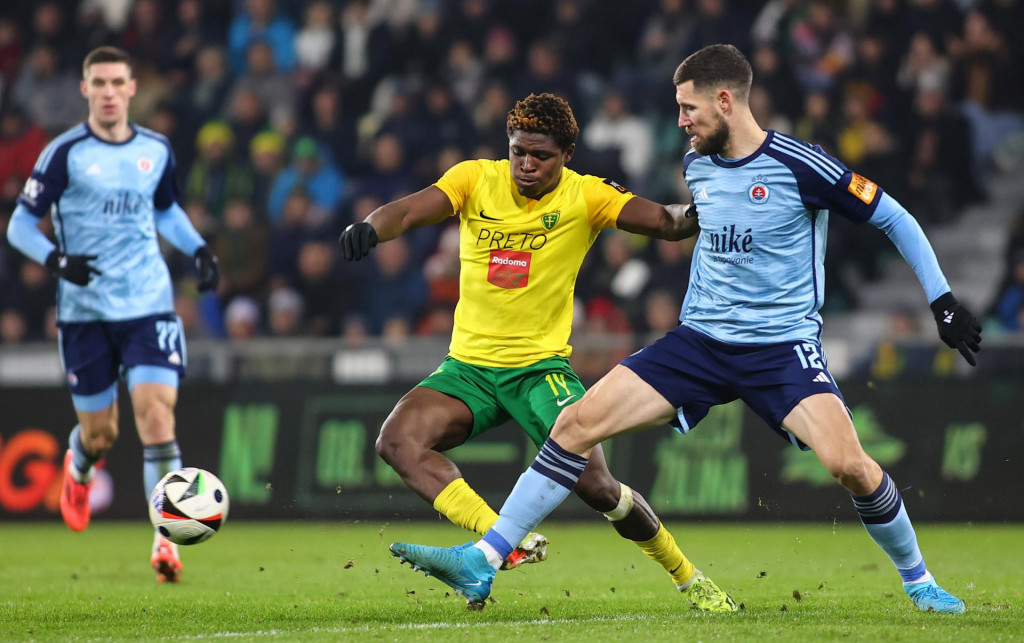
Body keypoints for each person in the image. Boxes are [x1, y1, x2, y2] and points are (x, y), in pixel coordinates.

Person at [390, 46, 982, 614]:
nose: (681, 122)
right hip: (697, 343)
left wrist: (943, 301)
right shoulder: (697, 165)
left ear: (725, 101)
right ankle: (485, 557)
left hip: (779, 349)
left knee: (850, 467)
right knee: (575, 424)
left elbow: (893, 216)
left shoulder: (803, 166)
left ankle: (920, 582)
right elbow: (688, 228)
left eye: (688, 109)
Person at [340, 92, 734, 611]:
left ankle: (690, 578)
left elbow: (666, 222)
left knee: (598, 488)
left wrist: (713, 203)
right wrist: (372, 226)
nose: (525, 165)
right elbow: (411, 210)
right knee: (397, 441)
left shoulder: (586, 196)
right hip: (468, 370)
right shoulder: (475, 179)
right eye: (518, 152)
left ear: (567, 153)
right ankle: (503, 541)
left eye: (540, 156)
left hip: (539, 372)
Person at [5, 46, 220, 583]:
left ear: (130, 90)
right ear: (84, 90)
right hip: (85, 314)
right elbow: (18, 226)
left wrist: (197, 250)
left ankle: (166, 541)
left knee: (156, 416)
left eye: (116, 82)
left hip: (149, 303)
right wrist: (56, 260)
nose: (106, 91)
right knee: (101, 434)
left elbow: (166, 209)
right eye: (97, 82)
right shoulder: (64, 153)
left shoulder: (155, 149)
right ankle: (79, 468)